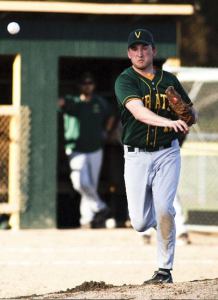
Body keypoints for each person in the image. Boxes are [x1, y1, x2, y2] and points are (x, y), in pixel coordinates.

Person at [115, 29, 197, 284]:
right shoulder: (125, 80)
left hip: (167, 153)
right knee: (139, 222)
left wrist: (188, 114)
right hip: (136, 156)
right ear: (129, 54)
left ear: (154, 51)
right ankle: (165, 225)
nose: (140, 53)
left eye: (145, 47)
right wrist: (169, 122)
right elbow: (139, 112)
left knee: (165, 209)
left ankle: (164, 270)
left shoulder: (168, 79)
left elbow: (192, 113)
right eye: (135, 48)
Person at [59, 72, 111, 228]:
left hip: (95, 148)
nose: (87, 85)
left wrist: (106, 131)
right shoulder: (72, 101)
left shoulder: (99, 102)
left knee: (91, 185)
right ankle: (100, 207)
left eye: (90, 83)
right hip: (76, 149)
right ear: (79, 85)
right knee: (80, 182)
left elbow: (111, 114)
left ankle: (86, 219)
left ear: (94, 85)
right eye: (84, 83)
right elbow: (59, 103)